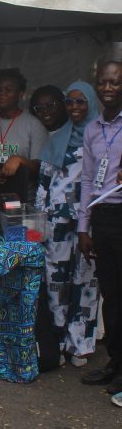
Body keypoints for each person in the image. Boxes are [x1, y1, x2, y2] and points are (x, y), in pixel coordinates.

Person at [35, 81, 100, 367]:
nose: (74, 107)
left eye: (80, 101)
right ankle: (57, 343)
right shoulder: (57, 139)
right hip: (56, 222)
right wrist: (37, 225)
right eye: (70, 101)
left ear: (91, 104)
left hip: (90, 222)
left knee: (86, 281)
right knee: (56, 281)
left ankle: (80, 344)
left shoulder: (101, 138)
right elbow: (43, 184)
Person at [77, 61, 122, 393]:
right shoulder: (92, 128)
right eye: (103, 83)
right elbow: (88, 179)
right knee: (112, 296)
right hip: (102, 218)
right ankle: (115, 363)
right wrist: (84, 227)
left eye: (115, 83)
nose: (108, 88)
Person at [0, 68, 48, 200]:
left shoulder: (34, 125)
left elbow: (41, 168)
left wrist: (20, 160)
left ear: (20, 94)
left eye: (8, 90)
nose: (2, 93)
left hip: (23, 201)